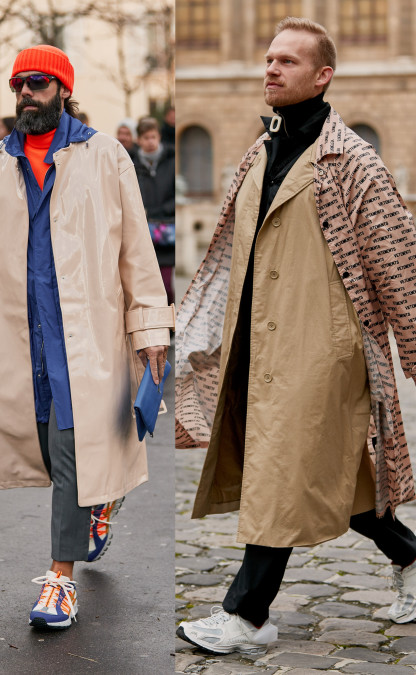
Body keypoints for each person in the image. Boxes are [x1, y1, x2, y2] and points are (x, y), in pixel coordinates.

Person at [176, 17, 416, 655]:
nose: (271, 69)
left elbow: (397, 261)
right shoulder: (260, 149)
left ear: (322, 75)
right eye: (268, 59)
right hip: (258, 344)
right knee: (336, 479)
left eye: (287, 61)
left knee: (283, 471)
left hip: (321, 350)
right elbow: (227, 251)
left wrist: (415, 353)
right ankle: (411, 555)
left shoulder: (352, 161)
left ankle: (246, 616)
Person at [0, 44, 172, 631]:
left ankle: (59, 578)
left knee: (71, 452)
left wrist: (150, 327)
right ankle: (100, 503)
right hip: (21, 338)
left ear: (63, 90)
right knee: (49, 450)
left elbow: (136, 253)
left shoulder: (106, 156)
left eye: (38, 83)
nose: (26, 92)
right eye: (19, 83)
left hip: (86, 337)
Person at [133, 117, 176, 303]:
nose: (150, 141)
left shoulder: (172, 161)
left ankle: (171, 324)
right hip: (142, 232)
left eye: (153, 137)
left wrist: (163, 210)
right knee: (145, 286)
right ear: (139, 140)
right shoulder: (132, 165)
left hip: (167, 232)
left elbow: (178, 194)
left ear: (159, 137)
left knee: (166, 285)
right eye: (146, 138)